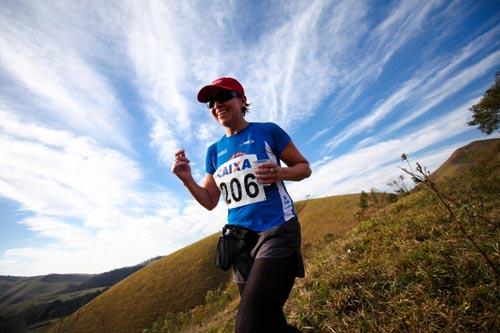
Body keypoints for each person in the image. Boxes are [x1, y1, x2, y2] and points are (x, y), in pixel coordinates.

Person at [172, 77, 311, 333]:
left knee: (249, 324)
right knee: (269, 321)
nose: (217, 105)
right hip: (240, 243)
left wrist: (282, 173)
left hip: (277, 231)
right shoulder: (214, 151)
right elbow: (210, 200)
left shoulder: (267, 131)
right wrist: (186, 179)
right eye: (211, 103)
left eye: (224, 97)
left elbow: (304, 168)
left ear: (243, 100)